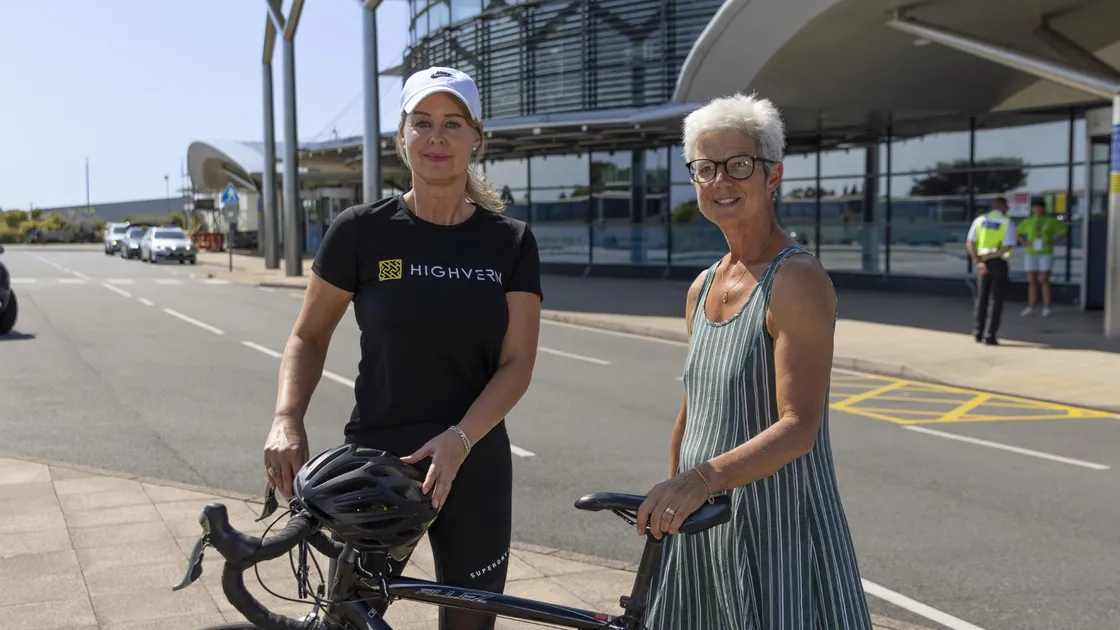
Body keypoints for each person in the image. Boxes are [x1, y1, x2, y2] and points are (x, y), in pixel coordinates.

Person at [262, 66, 543, 630]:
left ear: (476, 137)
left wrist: (459, 440)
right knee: (350, 619)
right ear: (402, 136)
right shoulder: (361, 231)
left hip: (474, 460)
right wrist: (286, 418)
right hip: (377, 466)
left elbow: (517, 364)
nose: (437, 137)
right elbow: (308, 335)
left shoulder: (510, 242)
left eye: (453, 123)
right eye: (423, 122)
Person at [635, 93, 873, 630]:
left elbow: (798, 428)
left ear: (773, 176)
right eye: (706, 168)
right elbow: (693, 410)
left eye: (739, 165)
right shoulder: (703, 286)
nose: (721, 180)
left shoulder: (796, 278)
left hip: (778, 531)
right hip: (705, 524)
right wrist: (674, 493)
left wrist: (698, 481)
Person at [966, 197, 1017, 345]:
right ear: (1001, 206)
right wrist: (992, 256)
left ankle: (978, 332)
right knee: (996, 300)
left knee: (981, 298)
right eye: (1006, 206)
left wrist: (979, 262)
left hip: (981, 261)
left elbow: (970, 243)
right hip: (998, 262)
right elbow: (1008, 246)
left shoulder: (979, 220)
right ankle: (990, 335)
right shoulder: (1006, 222)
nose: (1008, 209)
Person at [1016, 202, 1067, 317]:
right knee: (1032, 279)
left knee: (1044, 279)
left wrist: (1054, 241)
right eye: (1035, 208)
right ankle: (1031, 305)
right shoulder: (1029, 221)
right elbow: (1017, 232)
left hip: (1045, 252)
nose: (1037, 210)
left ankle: (1046, 306)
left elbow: (1064, 231)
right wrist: (1024, 243)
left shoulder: (1050, 221)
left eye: (1039, 208)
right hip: (1031, 252)